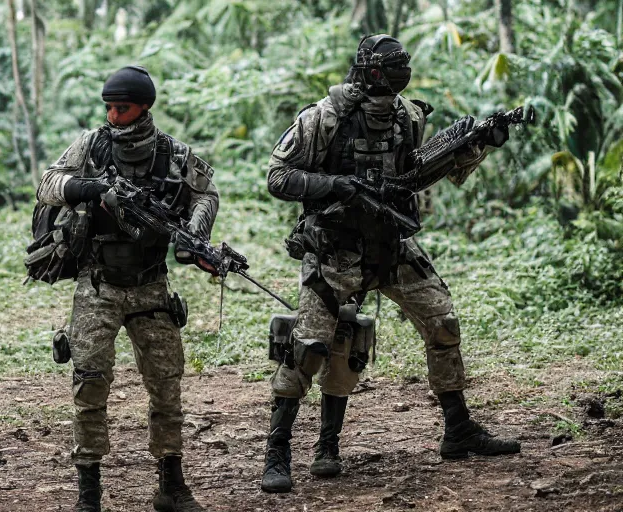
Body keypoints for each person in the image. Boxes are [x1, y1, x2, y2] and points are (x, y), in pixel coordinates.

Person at [260, 35, 521, 494]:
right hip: (336, 249)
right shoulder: (323, 117)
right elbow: (278, 177)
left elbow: (421, 173)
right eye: (391, 65)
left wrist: (477, 146)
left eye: (404, 63)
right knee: (309, 349)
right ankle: (278, 453)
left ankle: (457, 429)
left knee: (443, 322)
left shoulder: (409, 116)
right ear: (367, 70)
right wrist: (335, 185)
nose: (400, 71)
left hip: (392, 245)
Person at [36, 66, 218, 512]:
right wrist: (85, 188)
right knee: (90, 383)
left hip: (152, 285)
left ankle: (171, 485)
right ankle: (89, 492)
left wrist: (192, 233)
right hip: (98, 285)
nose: (114, 116)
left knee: (166, 384)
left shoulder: (174, 153)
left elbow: (206, 194)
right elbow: (47, 184)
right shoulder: (92, 145)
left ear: (145, 107)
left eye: (123, 108)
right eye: (110, 108)